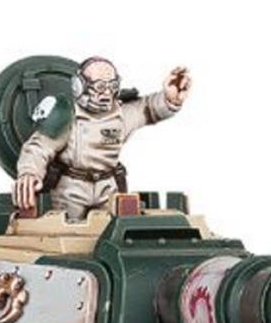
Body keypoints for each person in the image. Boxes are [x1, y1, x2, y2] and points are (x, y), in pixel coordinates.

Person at [12, 57, 191, 220]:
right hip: (71, 189)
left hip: (108, 187)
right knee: (67, 233)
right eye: (99, 87)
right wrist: (29, 172)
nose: (106, 93)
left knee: (113, 231)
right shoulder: (66, 114)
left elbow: (148, 109)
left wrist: (169, 100)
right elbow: (39, 147)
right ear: (79, 86)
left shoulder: (121, 114)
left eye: (112, 86)